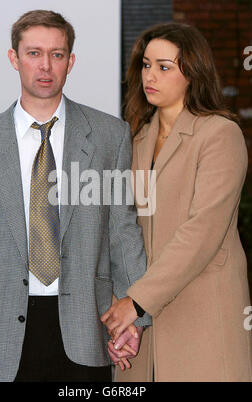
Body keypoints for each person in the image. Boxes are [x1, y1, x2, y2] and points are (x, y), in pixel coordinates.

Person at [0, 10, 151, 382]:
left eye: (57, 54)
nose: (45, 66)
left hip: (86, 331)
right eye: (33, 53)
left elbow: (123, 234)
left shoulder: (111, 137)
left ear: (70, 61)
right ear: (14, 58)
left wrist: (134, 316)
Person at [101, 22, 252, 382]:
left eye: (164, 67)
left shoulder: (220, 135)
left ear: (193, 73)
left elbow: (202, 231)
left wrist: (135, 302)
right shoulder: (135, 140)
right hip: (141, 327)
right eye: (146, 64)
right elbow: (121, 232)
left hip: (202, 317)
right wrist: (123, 316)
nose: (150, 75)